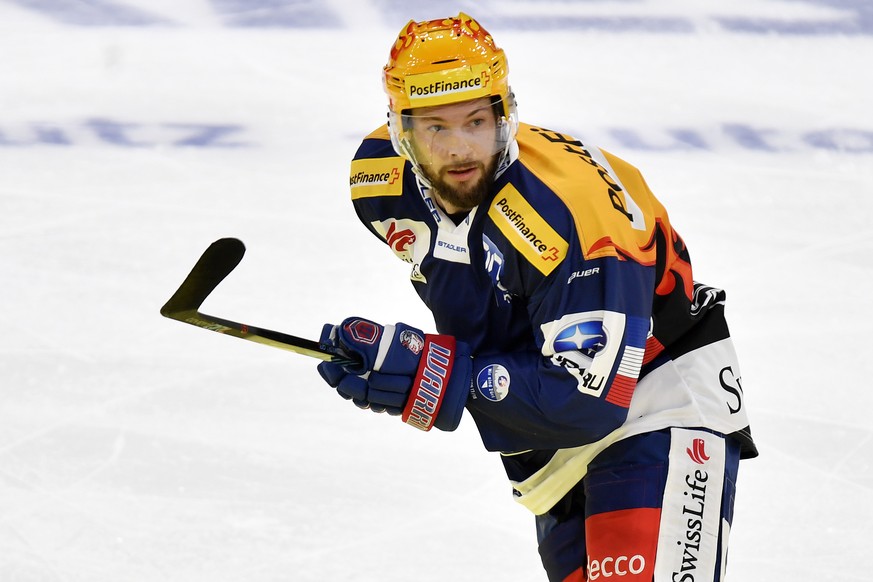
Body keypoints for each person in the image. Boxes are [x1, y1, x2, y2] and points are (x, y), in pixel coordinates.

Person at [316, 12, 757, 582]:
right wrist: (405, 366)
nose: (459, 148)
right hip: (546, 426)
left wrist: (439, 375)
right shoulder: (379, 182)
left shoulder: (572, 219)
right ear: (401, 133)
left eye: (476, 121)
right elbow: (484, 297)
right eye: (436, 128)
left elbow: (591, 398)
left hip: (654, 397)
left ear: (505, 115)